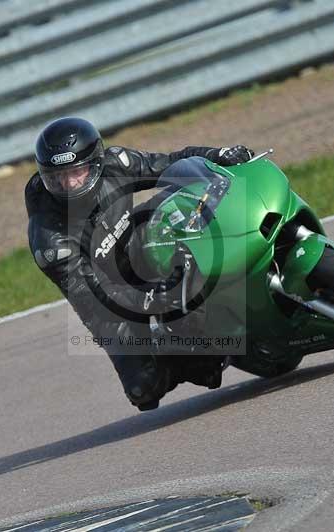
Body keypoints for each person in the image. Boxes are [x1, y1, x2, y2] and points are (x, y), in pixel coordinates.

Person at [24, 117, 253, 410]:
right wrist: (150, 299)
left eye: (76, 172)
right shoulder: (49, 238)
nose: (68, 184)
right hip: (107, 300)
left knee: (172, 210)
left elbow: (170, 163)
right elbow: (91, 295)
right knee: (143, 390)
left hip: (136, 247)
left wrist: (216, 155)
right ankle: (184, 358)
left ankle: (227, 278)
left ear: (95, 164)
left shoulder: (116, 163)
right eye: (57, 178)